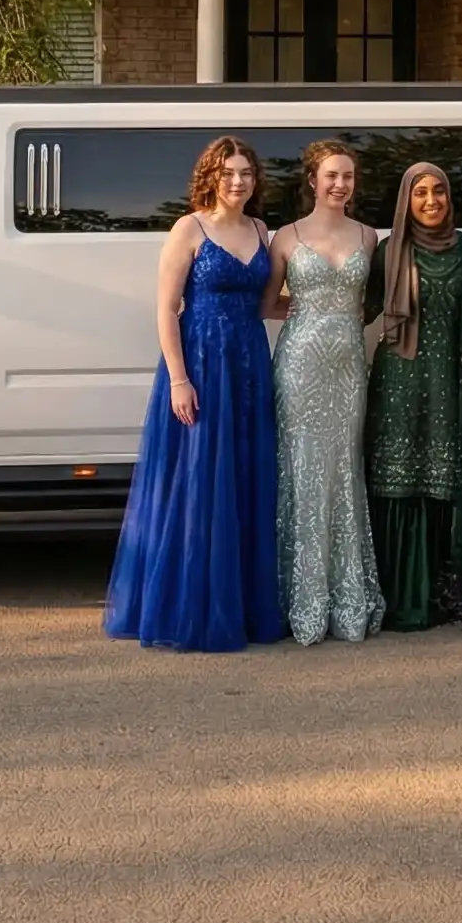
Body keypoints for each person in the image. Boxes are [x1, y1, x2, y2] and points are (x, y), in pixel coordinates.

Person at [104, 136, 285, 651]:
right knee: (201, 483)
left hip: (249, 363)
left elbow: (267, 302)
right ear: (210, 175)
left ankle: (243, 606)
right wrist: (179, 381)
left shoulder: (259, 229)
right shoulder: (189, 228)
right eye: (228, 172)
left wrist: (330, 302)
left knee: (243, 481)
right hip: (201, 366)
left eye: (246, 172)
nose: (237, 180)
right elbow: (165, 309)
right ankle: (193, 608)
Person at [361, 161, 462, 631]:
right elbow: (361, 308)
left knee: (442, 483)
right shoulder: (387, 251)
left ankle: (438, 592)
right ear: (406, 201)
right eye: (420, 194)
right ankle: (399, 595)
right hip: (398, 379)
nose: (431, 201)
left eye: (439, 191)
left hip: (449, 379)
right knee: (397, 484)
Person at [265, 140, 384, 645]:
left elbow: (372, 300)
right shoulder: (285, 237)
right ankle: (301, 598)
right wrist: (312, 316)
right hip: (300, 367)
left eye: (348, 176)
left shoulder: (369, 236)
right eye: (331, 175)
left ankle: (348, 596)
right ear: (312, 180)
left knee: (342, 469)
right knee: (301, 471)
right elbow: (269, 303)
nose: (340, 184)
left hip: (348, 371)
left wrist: (346, 319)